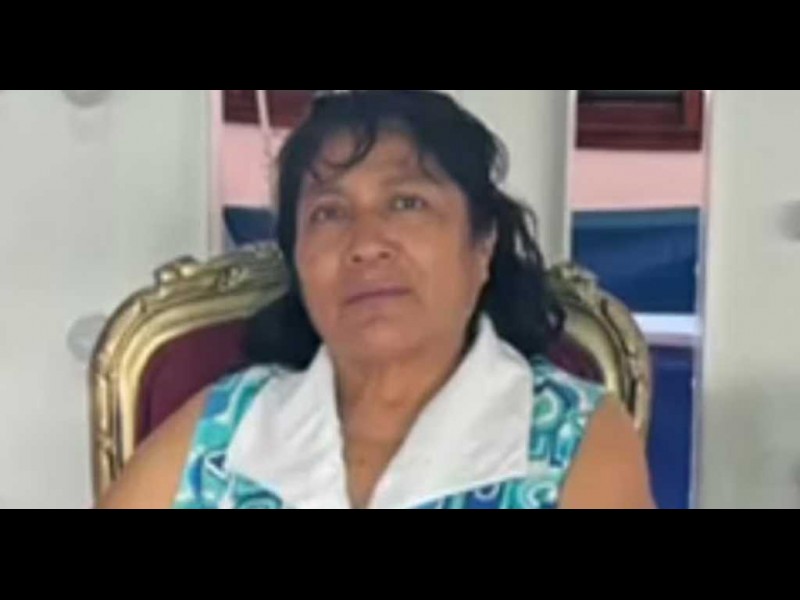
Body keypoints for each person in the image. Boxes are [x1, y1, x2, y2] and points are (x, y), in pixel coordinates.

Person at [99, 90, 654, 509]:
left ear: (482, 245)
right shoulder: (221, 430)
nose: (366, 244)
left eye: (407, 203)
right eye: (329, 213)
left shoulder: (570, 437)